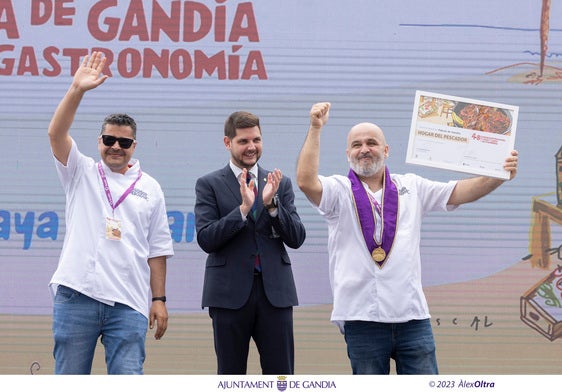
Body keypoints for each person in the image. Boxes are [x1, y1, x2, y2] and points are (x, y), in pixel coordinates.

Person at [296, 102, 519, 375]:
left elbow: (459, 192)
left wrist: (498, 175)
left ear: (386, 150)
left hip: (412, 317)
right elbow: (306, 181)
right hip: (361, 317)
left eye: (372, 142)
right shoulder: (338, 191)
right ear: (348, 153)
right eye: (356, 144)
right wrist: (316, 128)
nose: (364, 149)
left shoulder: (412, 186)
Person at [47, 52, 174, 374]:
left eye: (124, 141)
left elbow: (157, 250)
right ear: (99, 141)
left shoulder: (151, 187)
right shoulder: (80, 171)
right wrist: (77, 90)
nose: (115, 146)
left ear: (134, 145)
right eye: (108, 139)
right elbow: (56, 134)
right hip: (77, 294)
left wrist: (158, 299)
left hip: (128, 302)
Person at [194, 110, 306, 374]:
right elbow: (206, 238)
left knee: (281, 378)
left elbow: (297, 238)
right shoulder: (208, 184)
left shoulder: (280, 183)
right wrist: (242, 209)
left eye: (256, 140)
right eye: (243, 141)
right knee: (230, 377)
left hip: (275, 295)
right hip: (228, 295)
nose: (251, 147)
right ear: (228, 143)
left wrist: (272, 206)